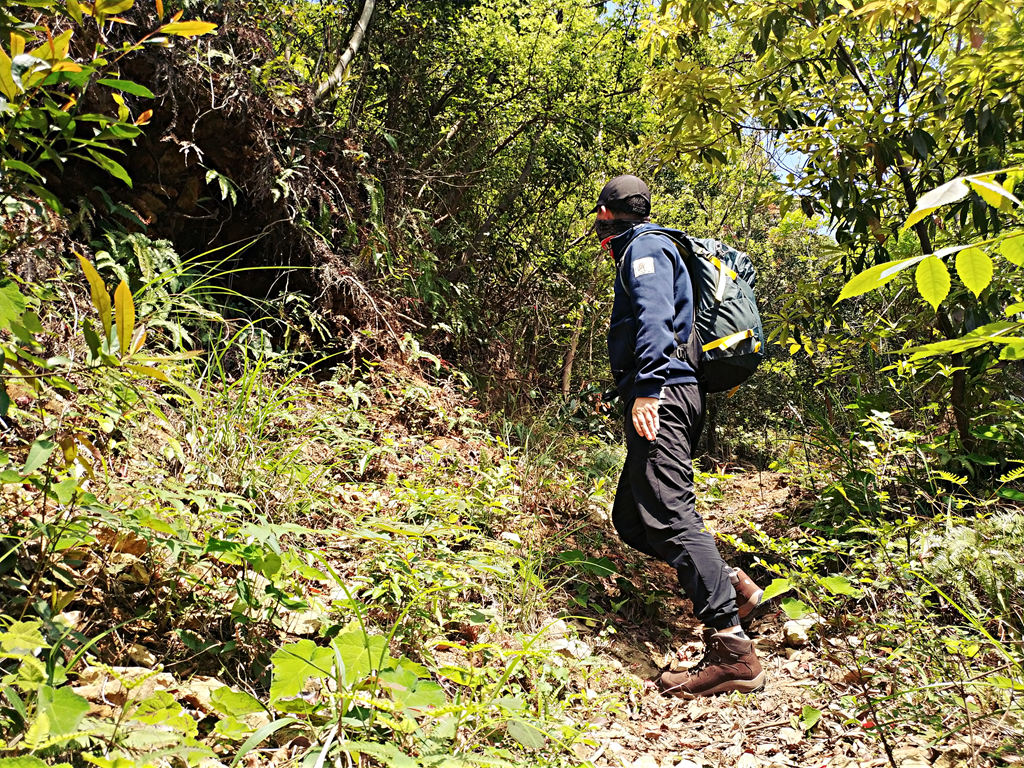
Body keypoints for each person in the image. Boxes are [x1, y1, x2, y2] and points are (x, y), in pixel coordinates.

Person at [594, 174, 766, 698]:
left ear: (606, 213)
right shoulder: (659, 246)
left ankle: (734, 652)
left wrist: (647, 387)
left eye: (599, 217)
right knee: (632, 518)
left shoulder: (644, 249)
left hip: (664, 392)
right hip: (673, 389)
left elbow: (653, 318)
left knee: (670, 510)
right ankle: (732, 585)